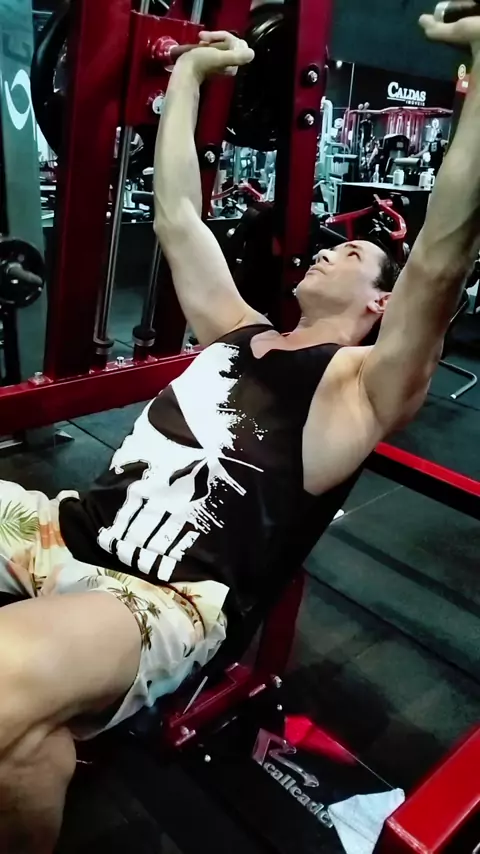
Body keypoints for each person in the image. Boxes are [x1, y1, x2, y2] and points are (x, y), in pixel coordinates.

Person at [0, 11, 479, 853]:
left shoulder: (358, 390)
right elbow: (179, 214)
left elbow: (440, 257)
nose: (329, 251)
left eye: (354, 256)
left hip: (157, 600)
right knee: (25, 748)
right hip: (62, 527)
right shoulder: (235, 327)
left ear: (380, 303)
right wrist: (186, 78)